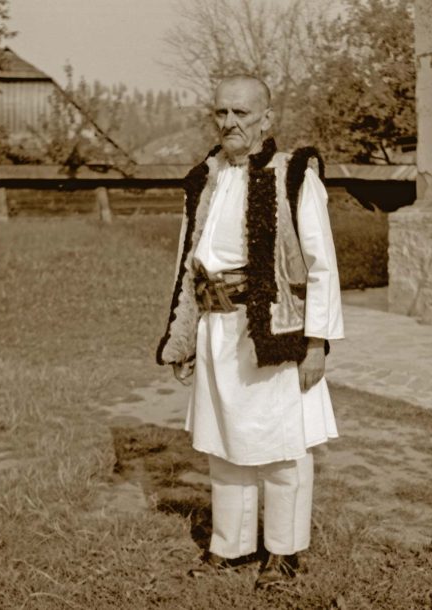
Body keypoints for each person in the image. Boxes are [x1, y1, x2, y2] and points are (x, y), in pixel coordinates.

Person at [156, 74, 344, 589]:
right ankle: (231, 545)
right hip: (215, 327)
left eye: (241, 112)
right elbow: (187, 261)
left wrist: (316, 344)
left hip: (271, 327)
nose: (230, 122)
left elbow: (321, 265)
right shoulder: (205, 177)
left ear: (266, 118)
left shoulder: (293, 175)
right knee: (224, 441)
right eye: (222, 112)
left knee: (282, 445)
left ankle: (284, 552)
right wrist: (183, 335)